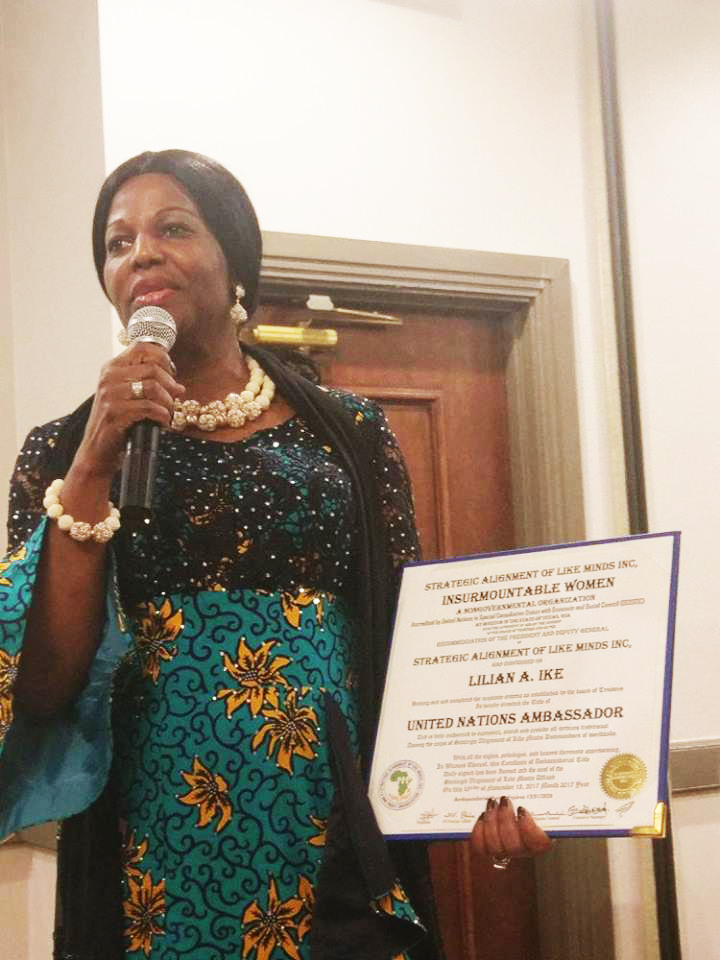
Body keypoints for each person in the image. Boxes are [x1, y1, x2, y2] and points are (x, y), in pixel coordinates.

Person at [0, 149, 550, 960]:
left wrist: (473, 786)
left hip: (329, 839)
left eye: (173, 229)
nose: (141, 253)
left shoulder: (351, 434)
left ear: (236, 263)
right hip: (146, 850)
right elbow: (43, 683)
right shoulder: (62, 451)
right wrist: (91, 465)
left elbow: (410, 633)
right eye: (118, 243)